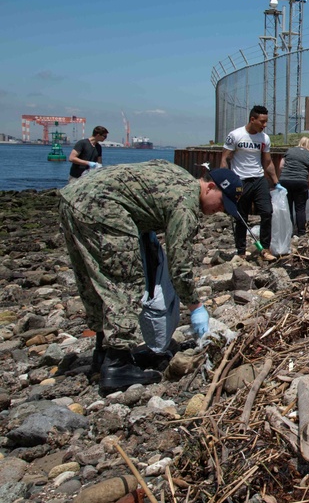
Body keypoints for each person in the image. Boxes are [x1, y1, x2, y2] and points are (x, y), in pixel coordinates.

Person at [59, 159, 243, 394]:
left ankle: (103, 351)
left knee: (94, 279)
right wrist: (195, 306)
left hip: (73, 198)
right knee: (124, 282)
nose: (221, 211)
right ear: (209, 187)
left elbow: (139, 190)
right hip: (104, 207)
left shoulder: (177, 174)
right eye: (221, 203)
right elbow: (180, 265)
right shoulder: (186, 205)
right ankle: (117, 364)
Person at [221, 106, 283, 261]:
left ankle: (265, 249)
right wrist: (226, 182)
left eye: (266, 121)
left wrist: (276, 182)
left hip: (258, 179)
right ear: (252, 119)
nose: (265, 125)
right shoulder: (235, 135)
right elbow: (225, 159)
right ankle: (241, 251)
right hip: (240, 180)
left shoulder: (264, 138)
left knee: (267, 212)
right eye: (262, 121)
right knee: (241, 217)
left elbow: (267, 162)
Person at [279, 137, 309, 237]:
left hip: (285, 181)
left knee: (288, 206)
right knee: (300, 208)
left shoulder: (289, 151)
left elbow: (281, 166)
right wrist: (306, 181)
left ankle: (289, 231)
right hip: (300, 181)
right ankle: (301, 232)